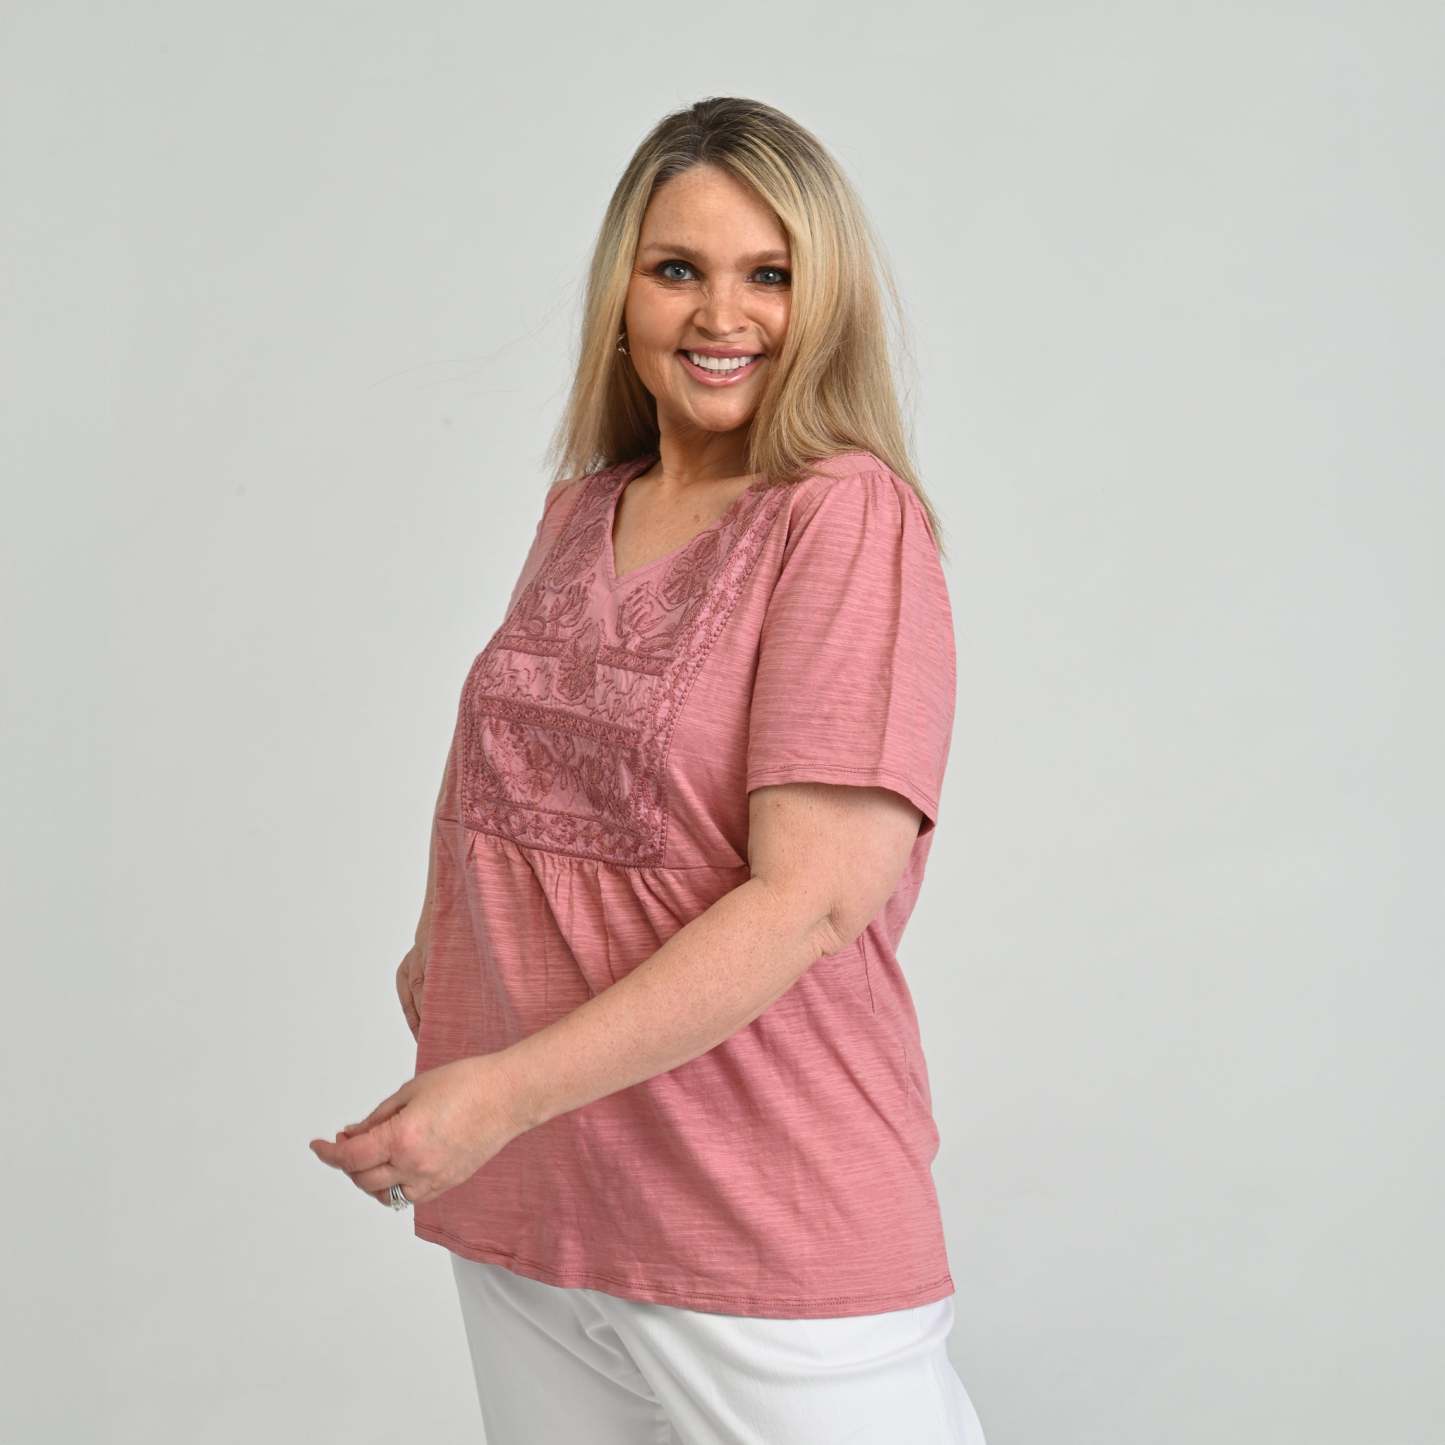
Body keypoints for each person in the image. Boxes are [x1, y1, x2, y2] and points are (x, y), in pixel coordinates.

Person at [309, 94, 988, 1445]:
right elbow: (508, 768)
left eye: (769, 275)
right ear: (622, 293)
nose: (721, 314)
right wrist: (442, 952)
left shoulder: (843, 517)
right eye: (678, 268)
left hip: (750, 1203)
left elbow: (812, 900)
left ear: (825, 303)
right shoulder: (583, 508)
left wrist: (498, 1089)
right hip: (539, 1202)